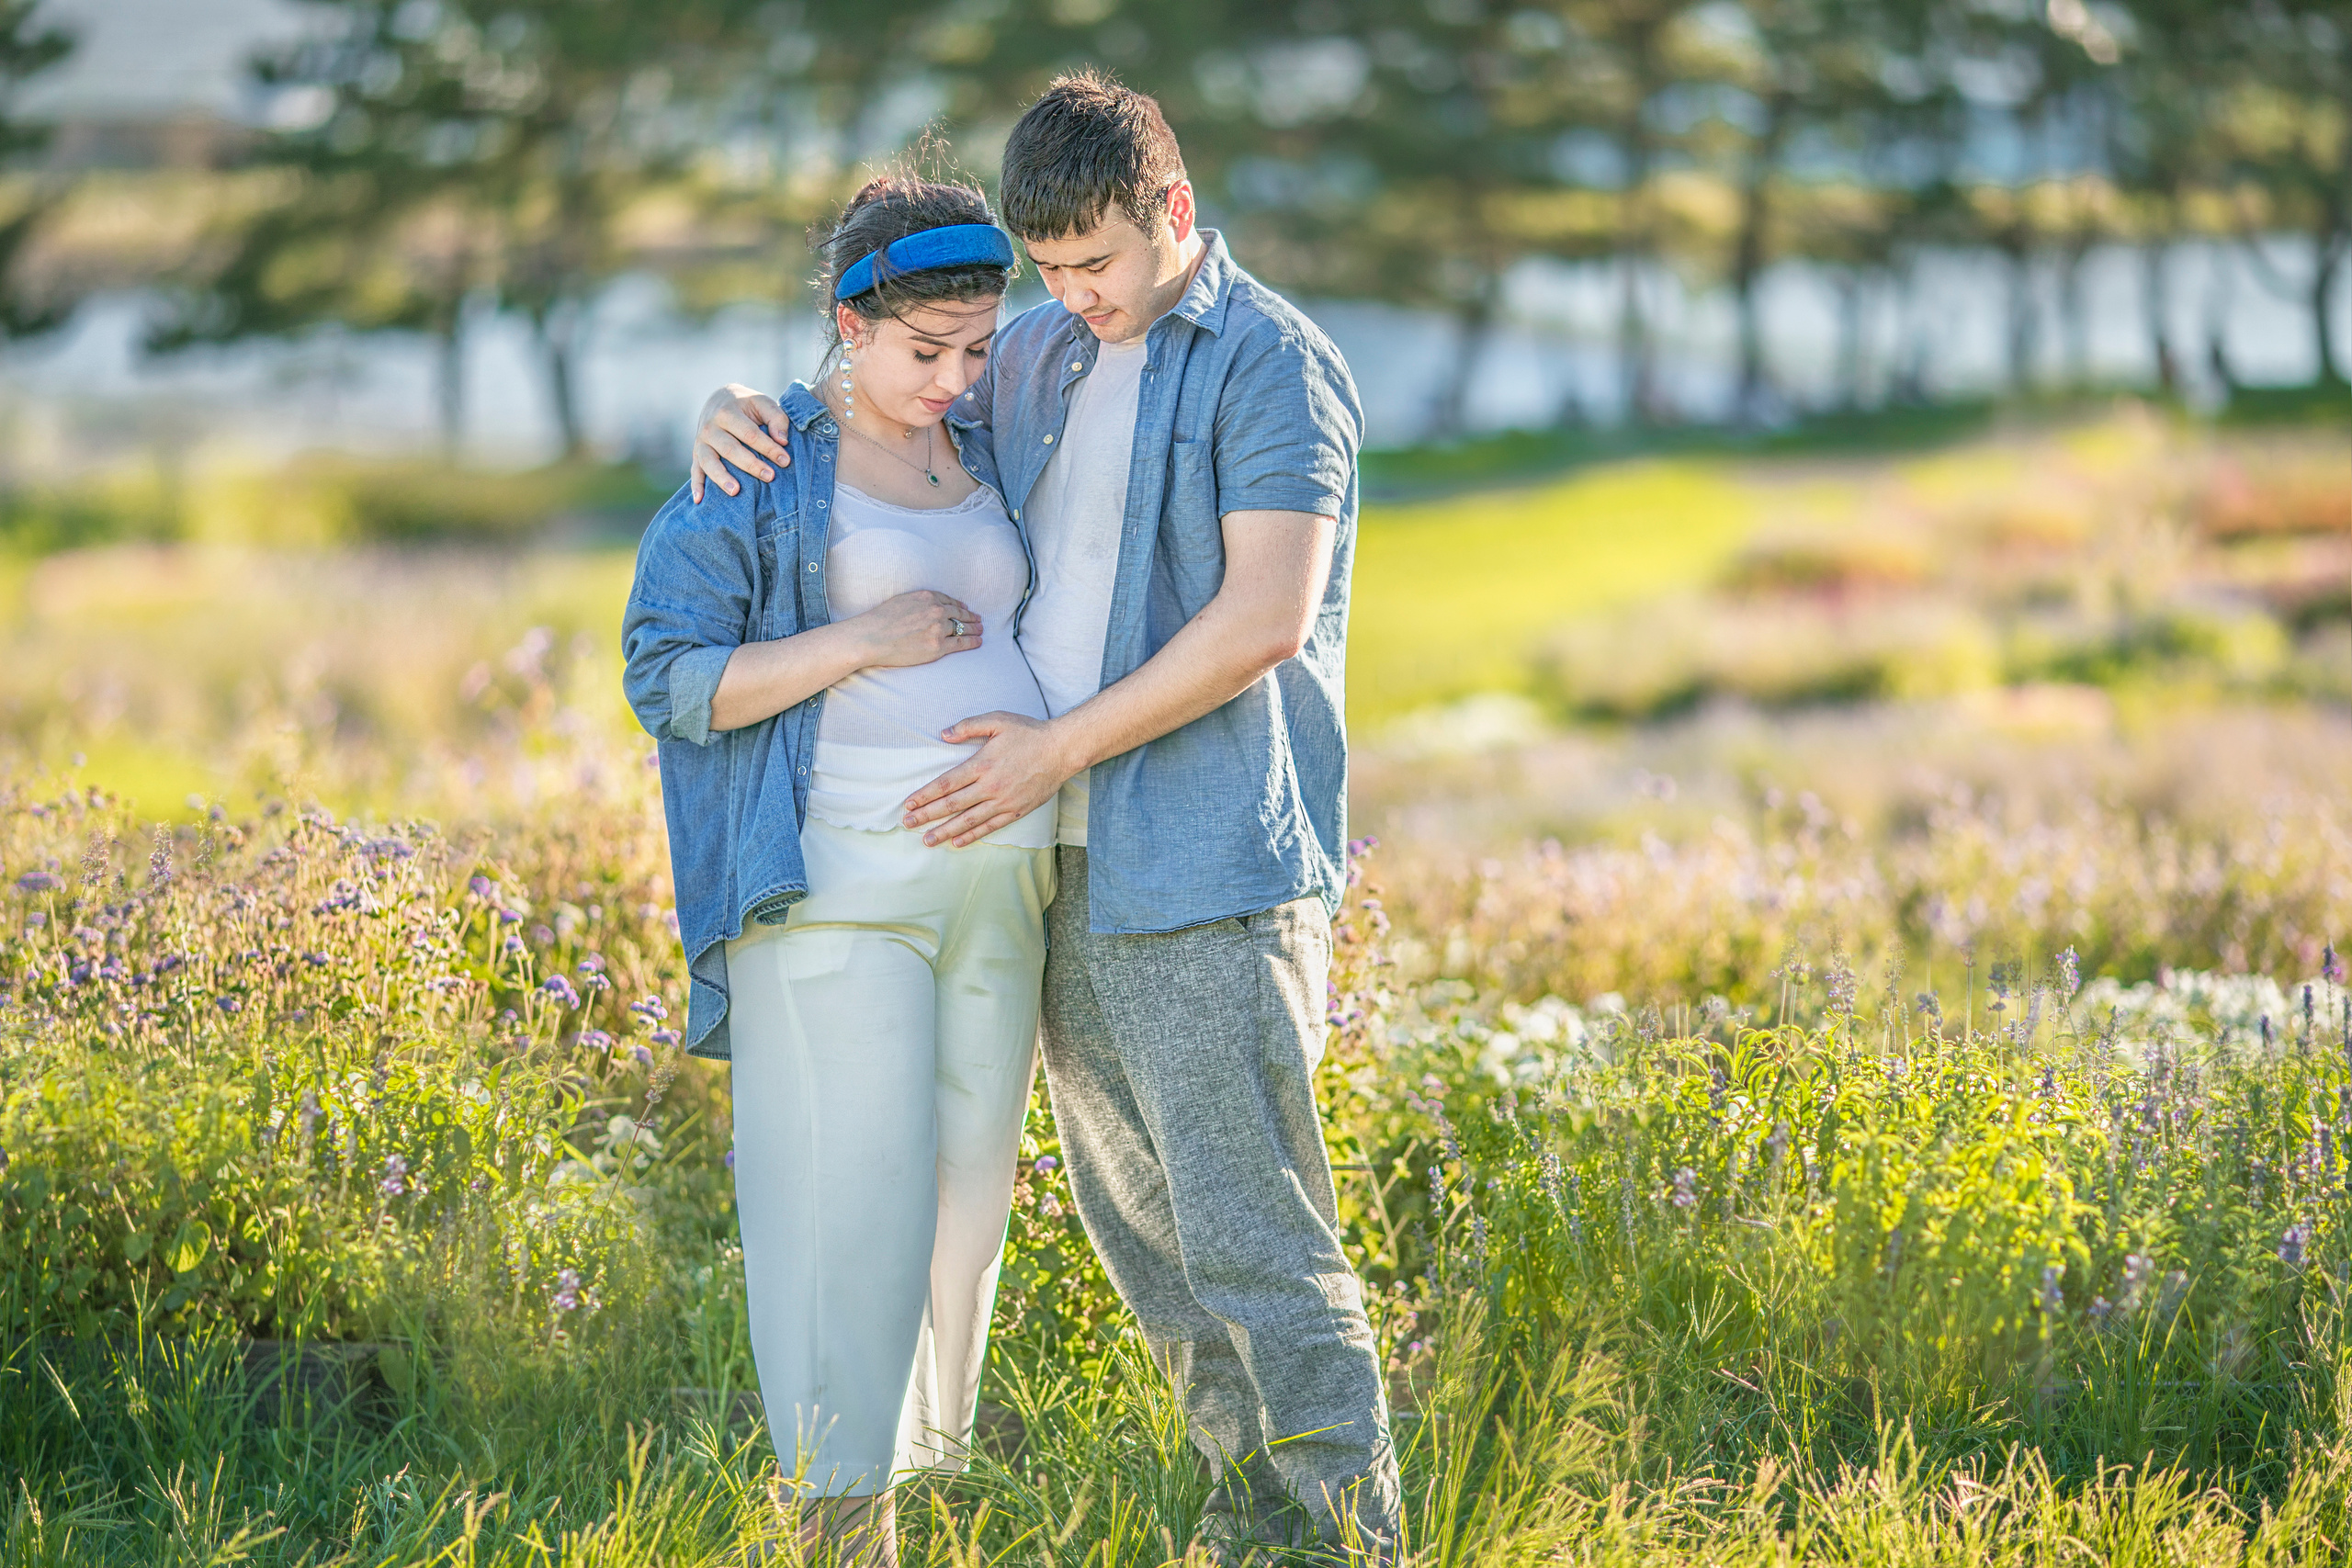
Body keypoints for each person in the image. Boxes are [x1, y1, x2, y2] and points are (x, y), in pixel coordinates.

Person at [686, 73, 1402, 1564]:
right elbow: (891, 406)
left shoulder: (1273, 365)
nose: (1073, 299)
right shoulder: (1046, 356)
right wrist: (734, 409)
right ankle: (1248, 1532)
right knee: (1151, 1251)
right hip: (1060, 873)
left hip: (1205, 863)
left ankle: (1348, 1543)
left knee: (1255, 1243)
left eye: (1098, 267)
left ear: (1175, 216)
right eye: (1052, 272)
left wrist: (1048, 753)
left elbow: (1262, 618)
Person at [621, 175, 1048, 1567]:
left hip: (1001, 879)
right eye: (924, 349)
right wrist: (862, 643)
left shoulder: (997, 434)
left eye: (977, 347)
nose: (954, 376)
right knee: (848, 1205)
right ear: (847, 321)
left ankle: (915, 1513)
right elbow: (669, 678)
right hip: (833, 882)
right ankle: (830, 1533)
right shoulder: (759, 465)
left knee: (961, 1212)